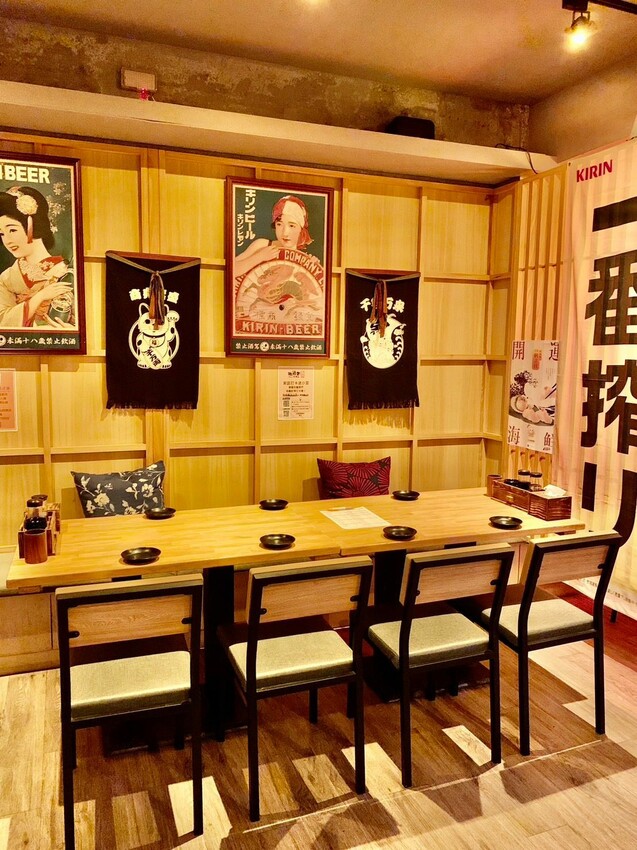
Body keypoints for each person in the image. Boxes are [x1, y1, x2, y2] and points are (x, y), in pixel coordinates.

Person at [0, 186, 74, 328]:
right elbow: (3, 322)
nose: (7, 240)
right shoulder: (6, 278)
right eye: (2, 233)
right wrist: (40, 297)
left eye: (12, 230)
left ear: (32, 226)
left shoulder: (66, 272)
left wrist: (70, 329)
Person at [234, 194, 315, 279]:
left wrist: (312, 270)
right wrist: (259, 257)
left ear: (301, 229)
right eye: (279, 224)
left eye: (292, 226)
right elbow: (231, 268)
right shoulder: (262, 245)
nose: (285, 233)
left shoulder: (302, 260)